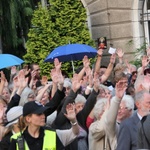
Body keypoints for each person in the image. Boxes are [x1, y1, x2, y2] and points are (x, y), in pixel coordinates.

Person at [9, 101, 79, 150]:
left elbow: (74, 133)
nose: (43, 116)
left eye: (43, 113)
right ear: (28, 118)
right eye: (39, 114)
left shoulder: (53, 134)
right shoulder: (16, 140)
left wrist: (73, 120)